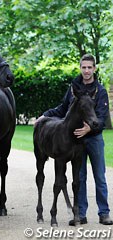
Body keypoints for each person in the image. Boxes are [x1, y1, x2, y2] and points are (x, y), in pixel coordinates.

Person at [35, 54, 113, 226]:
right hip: (76, 139)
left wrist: (90, 128)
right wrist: (45, 115)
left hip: (93, 139)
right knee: (80, 177)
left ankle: (104, 213)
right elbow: (63, 109)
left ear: (94, 69)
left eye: (89, 67)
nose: (86, 70)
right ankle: (81, 214)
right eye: (83, 67)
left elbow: (101, 117)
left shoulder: (99, 91)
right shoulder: (74, 89)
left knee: (99, 175)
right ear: (80, 68)